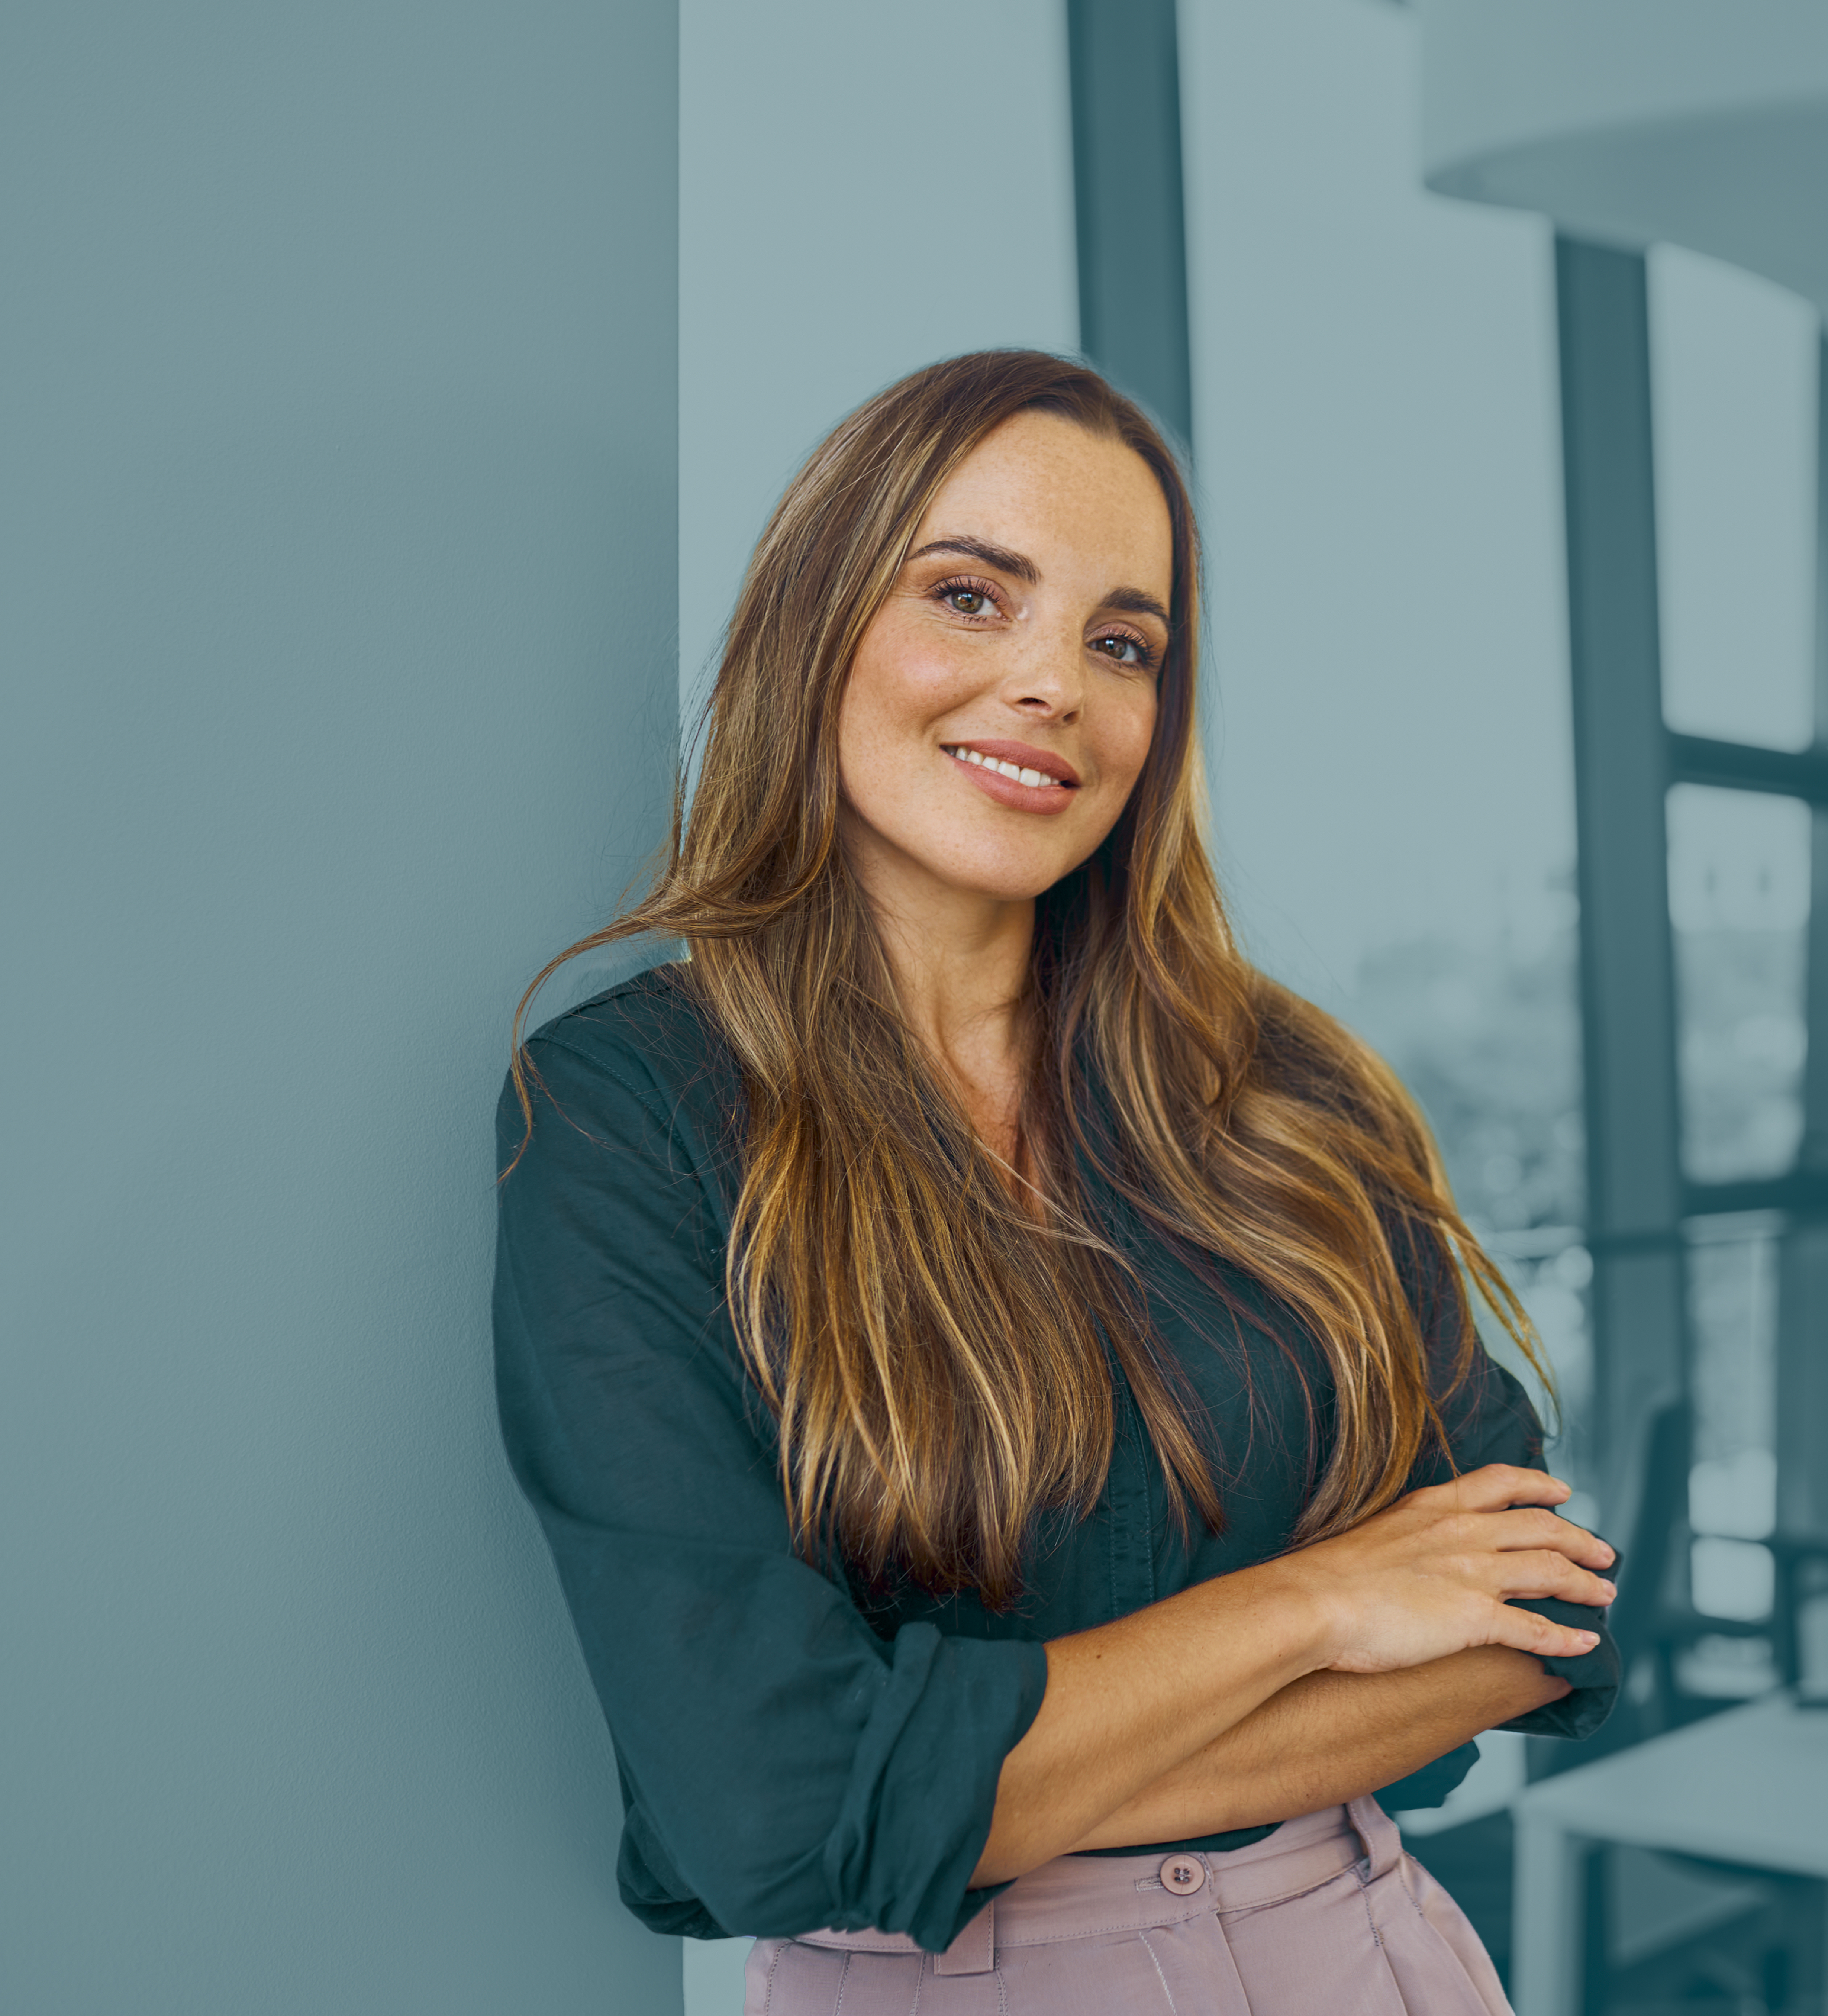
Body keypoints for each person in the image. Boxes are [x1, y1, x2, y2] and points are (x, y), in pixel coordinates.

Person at [491, 349, 1620, 2014]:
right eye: (968, 595)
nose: (1053, 688)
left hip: (1367, 1955)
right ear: (817, 626)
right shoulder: (625, 1112)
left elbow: (1530, 1616)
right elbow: (779, 1815)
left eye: (1120, 643)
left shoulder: (1280, 1088)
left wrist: (962, 1780)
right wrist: (1324, 1601)